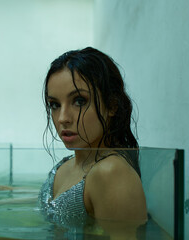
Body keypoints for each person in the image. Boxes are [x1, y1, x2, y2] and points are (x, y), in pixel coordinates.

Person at [38, 47, 147, 237]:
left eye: (79, 101)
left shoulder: (111, 173)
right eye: (55, 105)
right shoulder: (65, 166)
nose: (63, 118)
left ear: (112, 106)